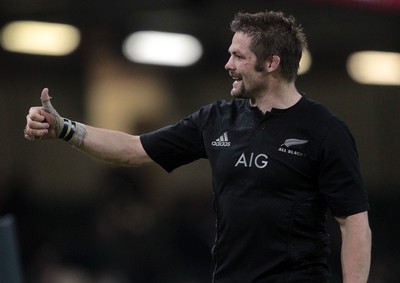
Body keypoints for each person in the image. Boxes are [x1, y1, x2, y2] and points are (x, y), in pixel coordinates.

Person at [24, 10, 371, 283]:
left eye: (238, 56)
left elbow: (353, 223)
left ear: (271, 63)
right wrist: (65, 129)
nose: (228, 65)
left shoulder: (325, 131)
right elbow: (134, 148)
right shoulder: (216, 119)